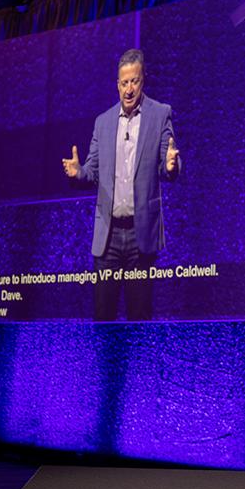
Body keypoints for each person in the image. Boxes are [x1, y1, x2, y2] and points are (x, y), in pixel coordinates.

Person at [63, 48, 181, 320]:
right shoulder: (103, 123)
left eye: (135, 81)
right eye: (124, 82)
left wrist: (172, 166)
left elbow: (168, 165)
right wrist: (78, 172)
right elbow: (91, 172)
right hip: (109, 237)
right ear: (117, 84)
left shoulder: (160, 114)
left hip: (142, 234)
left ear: (143, 81)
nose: (129, 89)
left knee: (139, 318)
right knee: (103, 318)